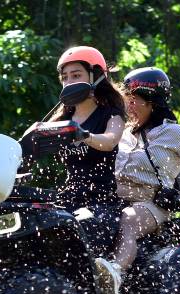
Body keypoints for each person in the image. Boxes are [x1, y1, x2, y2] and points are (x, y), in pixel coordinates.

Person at [97, 67, 180, 294]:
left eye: (135, 101)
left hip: (150, 205)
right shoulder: (122, 134)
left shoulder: (176, 134)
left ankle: (113, 275)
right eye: (127, 100)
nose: (129, 107)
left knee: (128, 220)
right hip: (113, 199)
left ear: (152, 103)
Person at [49, 46, 127, 267]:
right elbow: (25, 150)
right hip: (67, 200)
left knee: (79, 239)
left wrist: (83, 135)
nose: (69, 82)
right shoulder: (61, 120)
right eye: (64, 78)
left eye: (76, 75)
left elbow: (110, 140)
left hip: (101, 203)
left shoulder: (110, 114)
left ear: (95, 76)